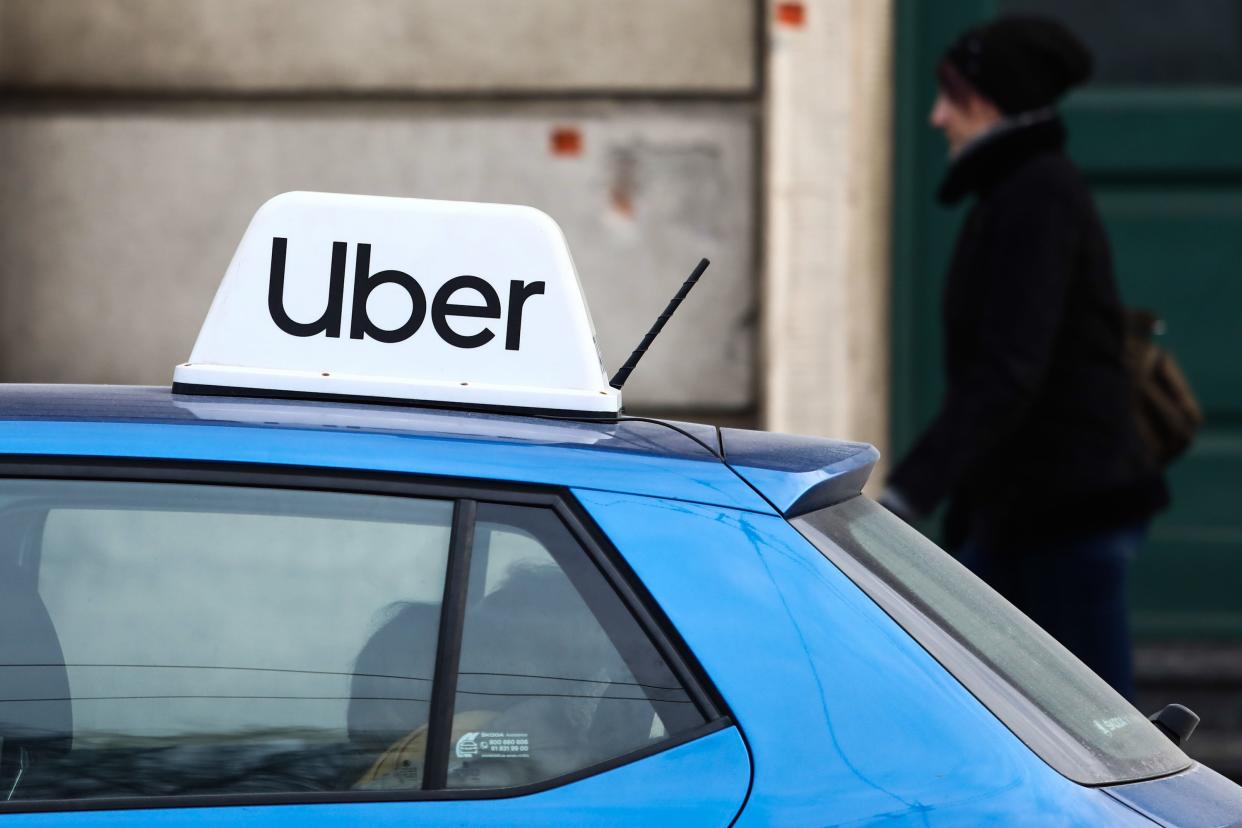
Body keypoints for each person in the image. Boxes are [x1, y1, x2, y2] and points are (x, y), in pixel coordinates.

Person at [880, 15, 1168, 700]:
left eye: (953, 97)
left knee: (1099, 730)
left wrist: (906, 494)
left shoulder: (1036, 196)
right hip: (1030, 513)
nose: (936, 116)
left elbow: (1009, 371)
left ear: (993, 102)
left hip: (1065, 519)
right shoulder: (1018, 191)